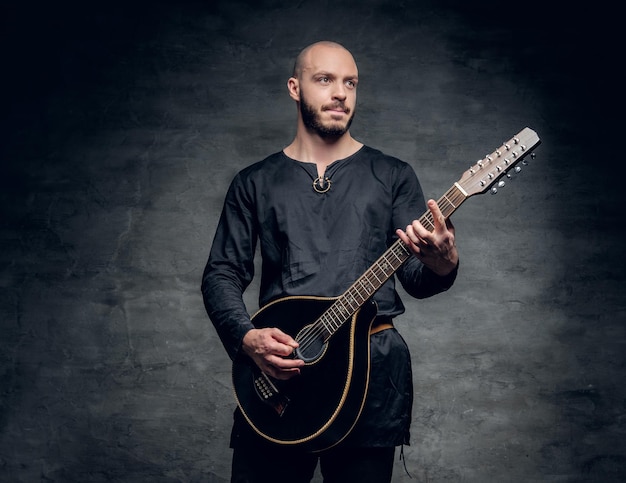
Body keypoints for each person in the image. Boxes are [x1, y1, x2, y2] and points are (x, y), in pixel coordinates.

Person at [201, 41, 459, 483]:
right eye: (325, 80)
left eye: (350, 83)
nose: (341, 93)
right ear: (294, 88)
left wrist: (442, 262)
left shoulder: (393, 175)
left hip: (369, 375)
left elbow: (416, 277)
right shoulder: (254, 182)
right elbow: (222, 273)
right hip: (282, 371)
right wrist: (247, 339)